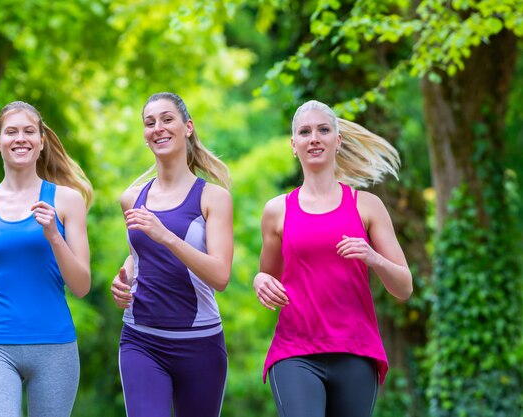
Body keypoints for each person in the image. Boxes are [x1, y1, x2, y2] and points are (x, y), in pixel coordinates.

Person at [253, 100, 413, 417]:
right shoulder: (277, 211)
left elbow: (404, 287)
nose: (314, 138)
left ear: (337, 141)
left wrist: (373, 258)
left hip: (355, 349)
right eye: (305, 132)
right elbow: (268, 276)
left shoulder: (366, 206)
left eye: (323, 130)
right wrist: (259, 280)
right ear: (294, 145)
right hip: (295, 351)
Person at [0, 101, 92, 417]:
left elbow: (82, 285)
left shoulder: (67, 201)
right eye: (11, 132)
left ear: (42, 142)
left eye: (29, 131)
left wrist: (54, 236)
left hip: (55, 347)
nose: (20, 138)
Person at [110, 92, 233, 417]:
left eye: (167, 119)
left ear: (187, 127)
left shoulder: (213, 198)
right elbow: (138, 255)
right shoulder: (132, 198)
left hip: (200, 344)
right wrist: (123, 278)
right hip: (141, 340)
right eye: (150, 123)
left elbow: (220, 276)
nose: (158, 128)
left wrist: (166, 236)